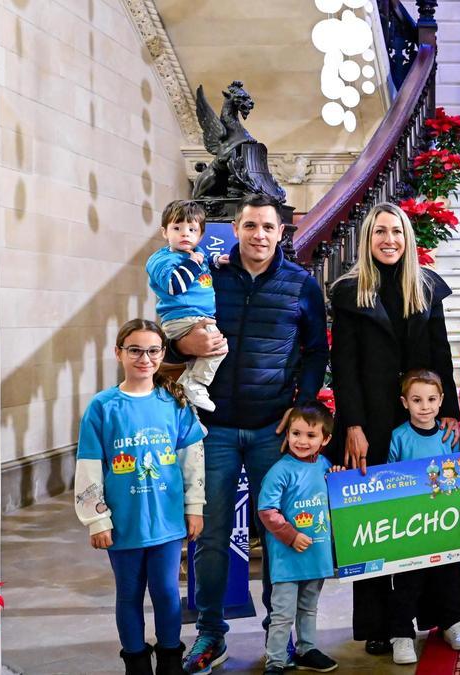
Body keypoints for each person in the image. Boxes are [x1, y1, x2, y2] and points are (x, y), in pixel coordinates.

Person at [327, 202, 460, 655]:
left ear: (408, 238)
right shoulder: (348, 291)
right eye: (380, 232)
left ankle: (454, 611)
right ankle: (380, 622)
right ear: (368, 239)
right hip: (372, 422)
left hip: (424, 415)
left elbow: (441, 356)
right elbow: (343, 366)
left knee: (442, 515)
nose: (389, 240)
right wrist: (354, 426)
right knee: (376, 523)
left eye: (397, 232)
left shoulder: (425, 288)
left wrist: (452, 414)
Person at [173, 193, 330, 675]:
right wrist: (183, 341)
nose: (259, 234)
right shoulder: (209, 278)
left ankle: (283, 638)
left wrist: (300, 405)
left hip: (270, 429)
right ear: (236, 229)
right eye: (250, 226)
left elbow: (316, 352)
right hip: (215, 428)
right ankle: (210, 635)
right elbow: (176, 330)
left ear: (282, 231)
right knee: (213, 536)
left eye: (268, 226)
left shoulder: (302, 285)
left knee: (280, 535)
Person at [73, 319, 206, 675]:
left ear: (162, 354)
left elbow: (192, 461)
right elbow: (89, 466)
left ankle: (169, 660)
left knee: (165, 591)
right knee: (129, 594)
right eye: (135, 350)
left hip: (166, 520)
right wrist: (96, 519)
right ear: (119, 353)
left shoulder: (174, 402)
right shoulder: (103, 407)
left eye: (152, 350)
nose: (144, 358)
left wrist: (194, 507)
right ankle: (135, 663)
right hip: (123, 523)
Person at [383, 369, 460, 664]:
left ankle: (451, 623)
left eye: (431, 399)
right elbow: (389, 477)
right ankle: (401, 633)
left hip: (443, 521)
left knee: (447, 576)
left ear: (441, 401)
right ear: (404, 402)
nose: (425, 406)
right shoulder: (398, 437)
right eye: (417, 400)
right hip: (410, 525)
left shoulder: (448, 436)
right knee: (408, 580)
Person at [256, 404, 342, 674]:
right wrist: (291, 536)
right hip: (287, 558)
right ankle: (276, 660)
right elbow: (266, 510)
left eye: (310, 435)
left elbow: (334, 501)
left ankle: (307, 649)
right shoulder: (281, 470)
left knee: (309, 607)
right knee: (281, 614)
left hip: (316, 555)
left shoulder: (326, 466)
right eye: (296, 433)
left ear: (325, 439)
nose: (302, 441)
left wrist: (339, 481)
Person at [144, 200, 227, 411]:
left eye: (192, 230)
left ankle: (188, 397)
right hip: (183, 317)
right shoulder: (162, 260)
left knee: (199, 359)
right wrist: (193, 263)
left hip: (196, 316)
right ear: (165, 232)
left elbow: (205, 259)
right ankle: (196, 383)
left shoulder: (195, 253)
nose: (185, 234)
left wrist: (216, 260)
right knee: (219, 347)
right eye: (177, 228)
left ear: (200, 236)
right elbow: (174, 285)